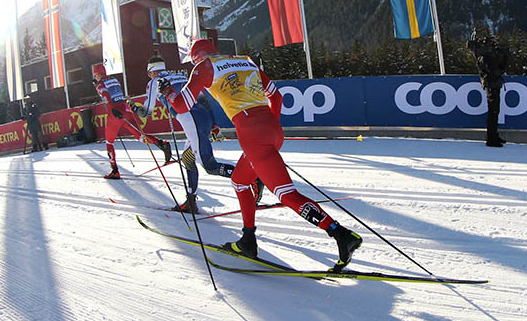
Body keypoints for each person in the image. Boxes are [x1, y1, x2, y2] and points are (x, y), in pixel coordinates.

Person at [161, 38, 362, 271]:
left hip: (253, 134)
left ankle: (340, 235)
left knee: (287, 195)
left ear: (197, 57)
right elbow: (277, 97)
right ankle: (248, 239)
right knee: (239, 180)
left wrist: (167, 91)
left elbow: (181, 105)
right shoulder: (244, 62)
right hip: (271, 128)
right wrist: (268, 129)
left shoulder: (205, 67)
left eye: (193, 60)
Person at [135, 54, 240, 213]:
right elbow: (203, 99)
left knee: (210, 166)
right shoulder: (181, 76)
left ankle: (250, 177)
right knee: (188, 159)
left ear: (152, 72)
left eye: (149, 74)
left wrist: (132, 108)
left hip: (193, 122)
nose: (150, 76)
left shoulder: (154, 83)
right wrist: (213, 123)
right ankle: (190, 201)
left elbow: (146, 113)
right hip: (204, 117)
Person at [92, 75, 171, 180]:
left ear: (97, 74)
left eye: (95, 74)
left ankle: (115, 171)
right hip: (125, 109)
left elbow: (106, 94)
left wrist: (98, 86)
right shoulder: (114, 79)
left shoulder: (100, 83)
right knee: (139, 136)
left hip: (114, 113)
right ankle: (162, 144)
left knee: (109, 142)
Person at [467, 26, 509, 147]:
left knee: (495, 111)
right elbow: (494, 70)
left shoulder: (486, 55)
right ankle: (491, 138)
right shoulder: (485, 56)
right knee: (493, 111)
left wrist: (503, 57)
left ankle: (494, 135)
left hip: (493, 83)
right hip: (491, 83)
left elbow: (499, 68)